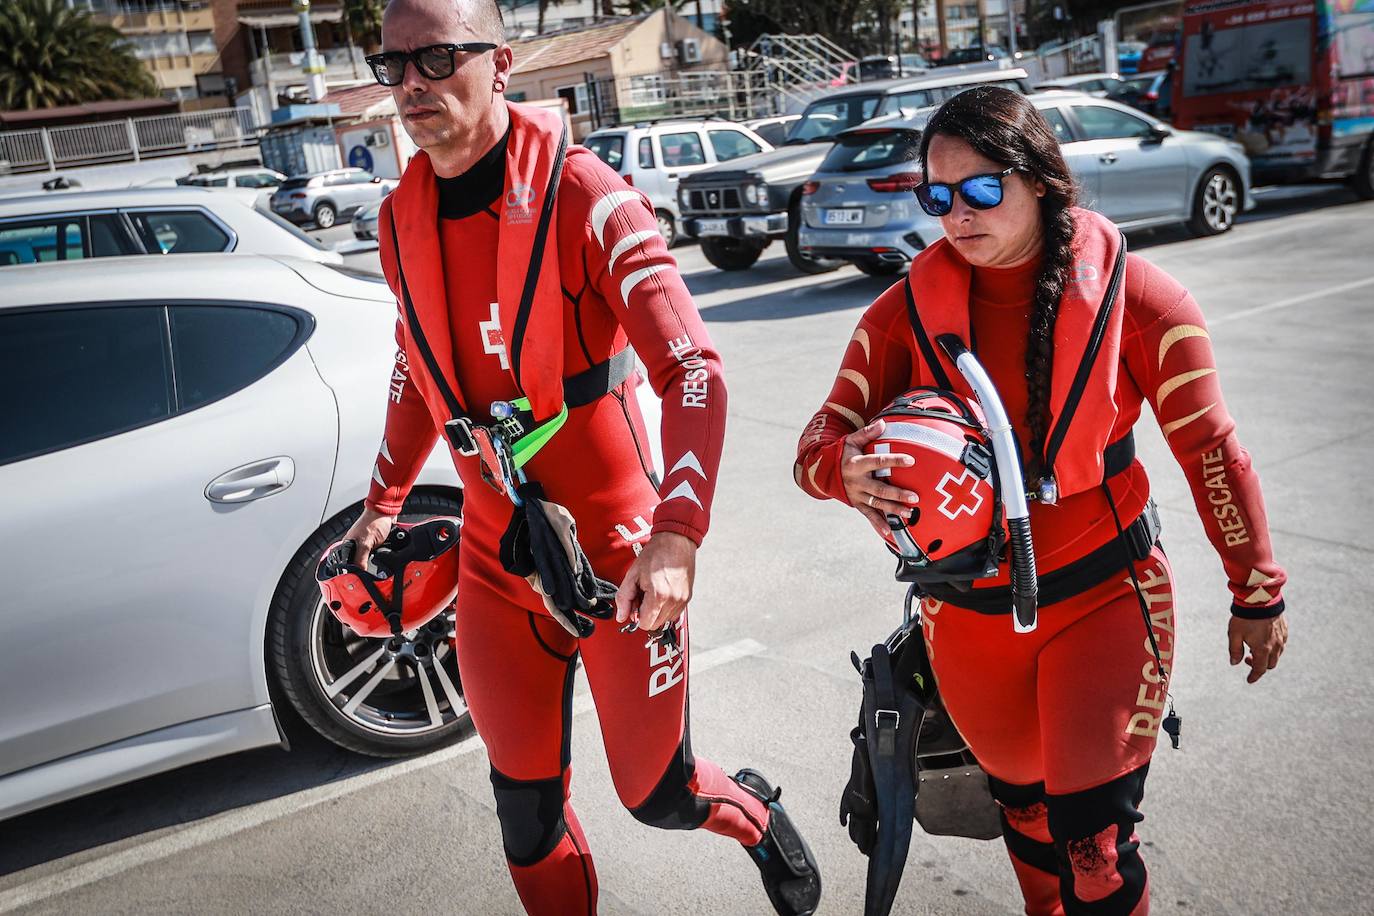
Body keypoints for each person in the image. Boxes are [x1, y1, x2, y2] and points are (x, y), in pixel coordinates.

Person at [340, 1, 821, 913]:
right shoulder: (398, 218)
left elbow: (693, 370)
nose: (413, 84)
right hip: (495, 546)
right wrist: (384, 499)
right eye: (392, 63)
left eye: (439, 57)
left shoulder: (587, 194)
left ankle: (754, 813)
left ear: (502, 61)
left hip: (619, 545)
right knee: (523, 810)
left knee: (659, 794)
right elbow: (416, 364)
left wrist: (677, 536)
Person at [796, 86, 1289, 915]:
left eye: (983, 188)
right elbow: (815, 445)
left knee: (1094, 847)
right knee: (1026, 823)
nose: (958, 213)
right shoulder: (901, 314)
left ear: (1043, 181)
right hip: (968, 620)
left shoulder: (1145, 301)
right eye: (937, 195)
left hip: (1106, 594)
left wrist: (1257, 588)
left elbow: (1211, 451)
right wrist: (842, 468)